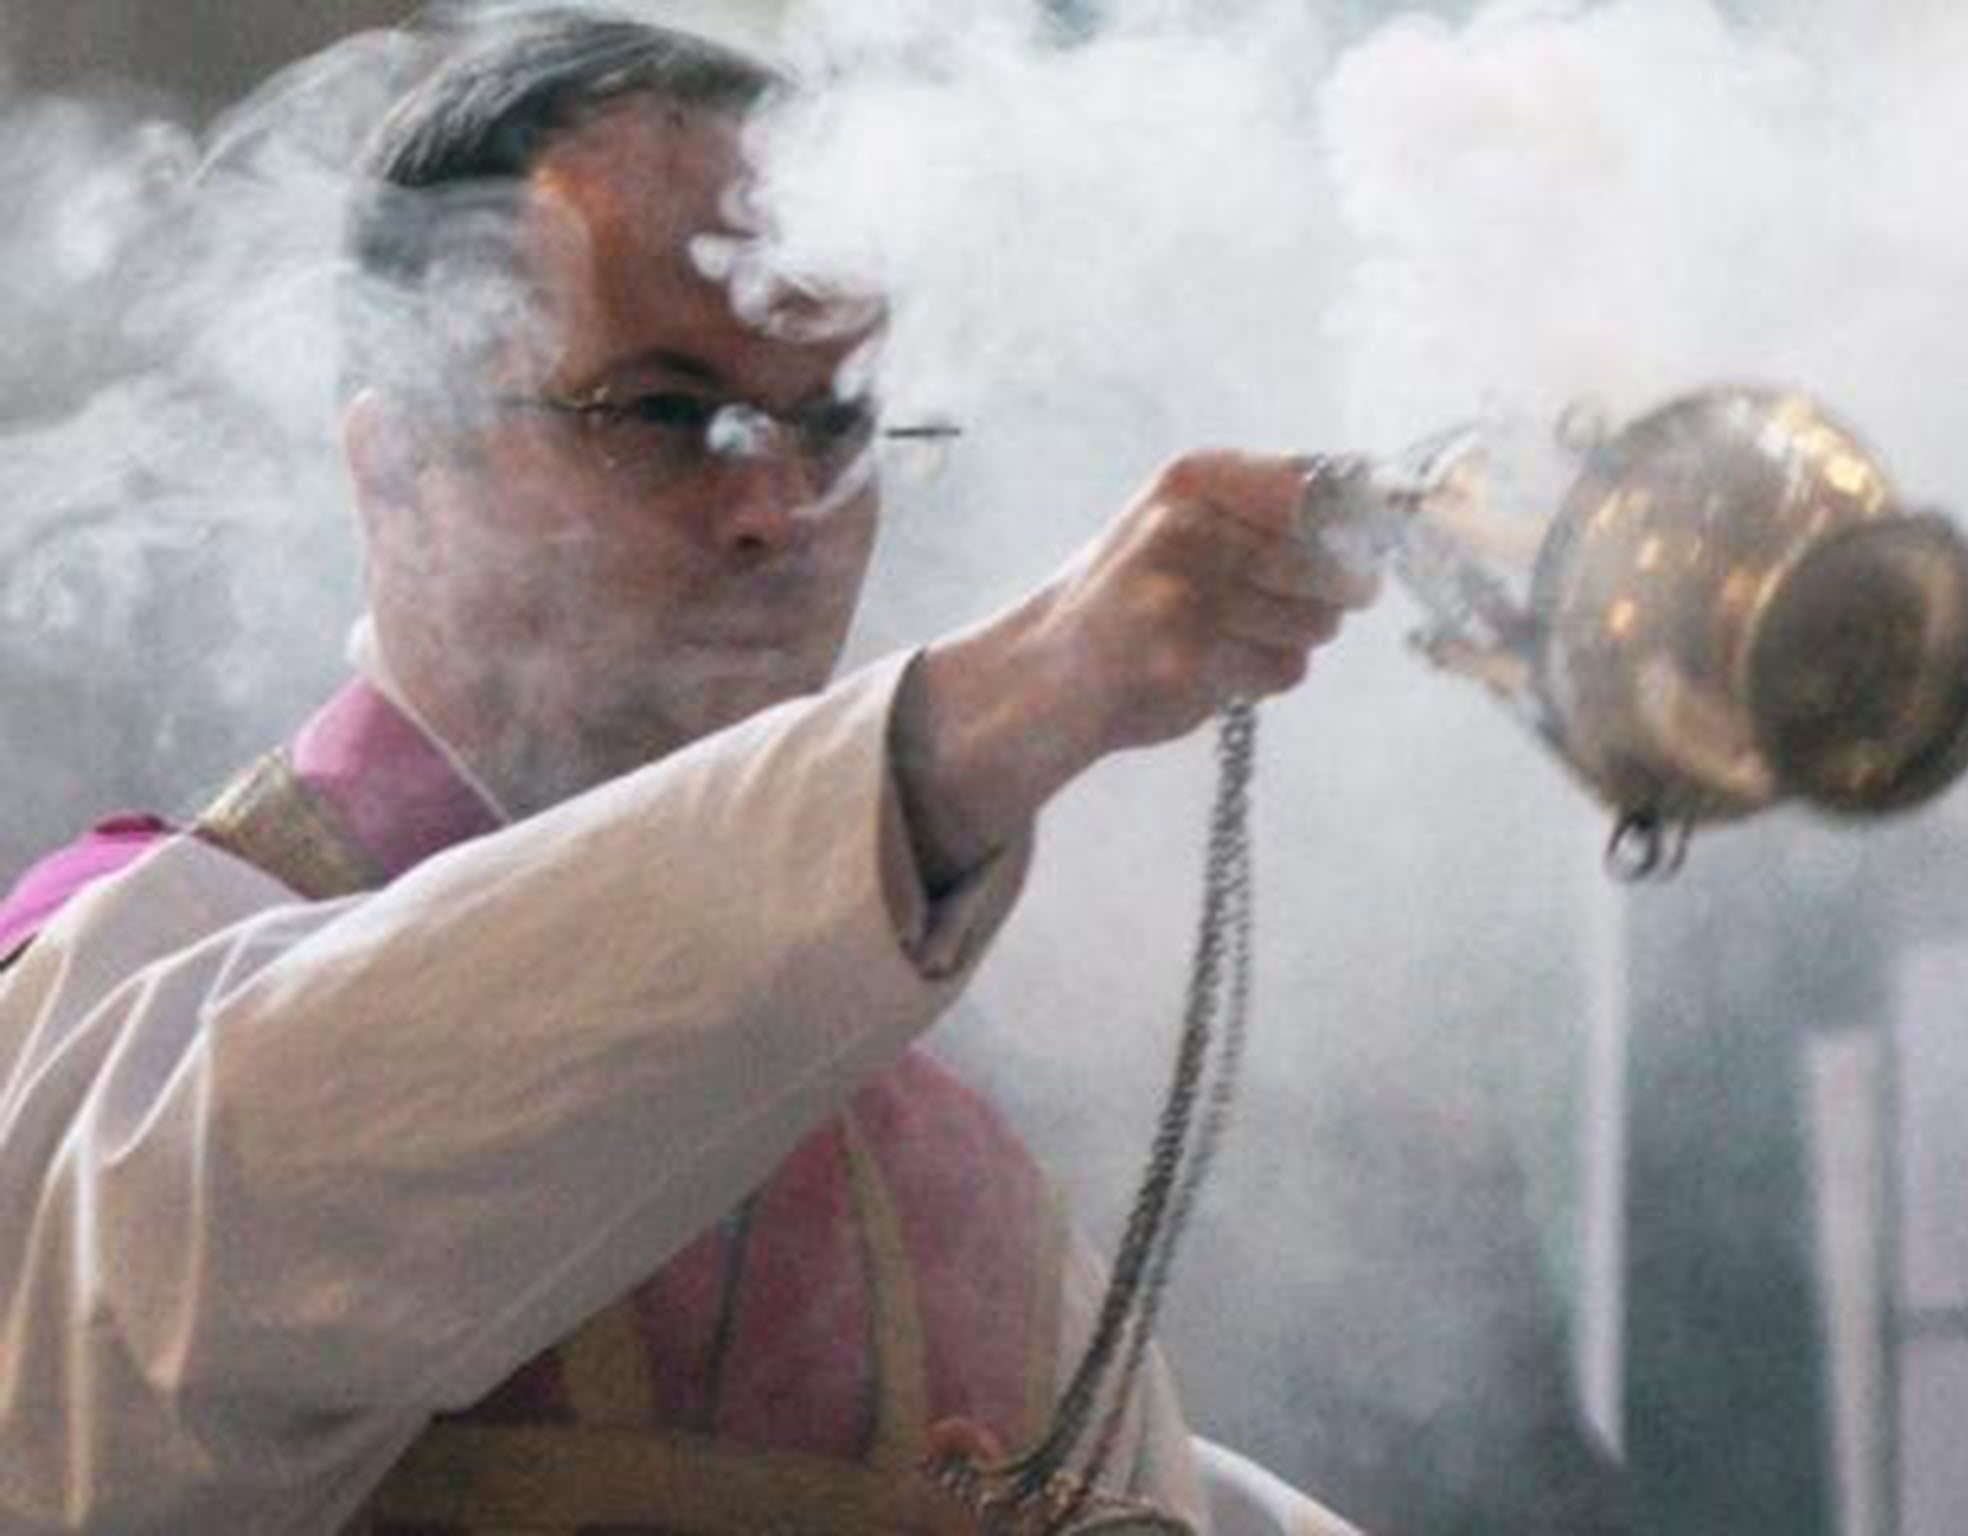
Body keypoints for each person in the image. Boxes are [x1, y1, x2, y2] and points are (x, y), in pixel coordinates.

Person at [0, 11, 1375, 1534]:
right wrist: (999, 706)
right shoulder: (123, 998)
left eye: (830, 425)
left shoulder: (961, 1200)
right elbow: (257, 1205)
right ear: (398, 471)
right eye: (662, 412)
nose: (771, 515)